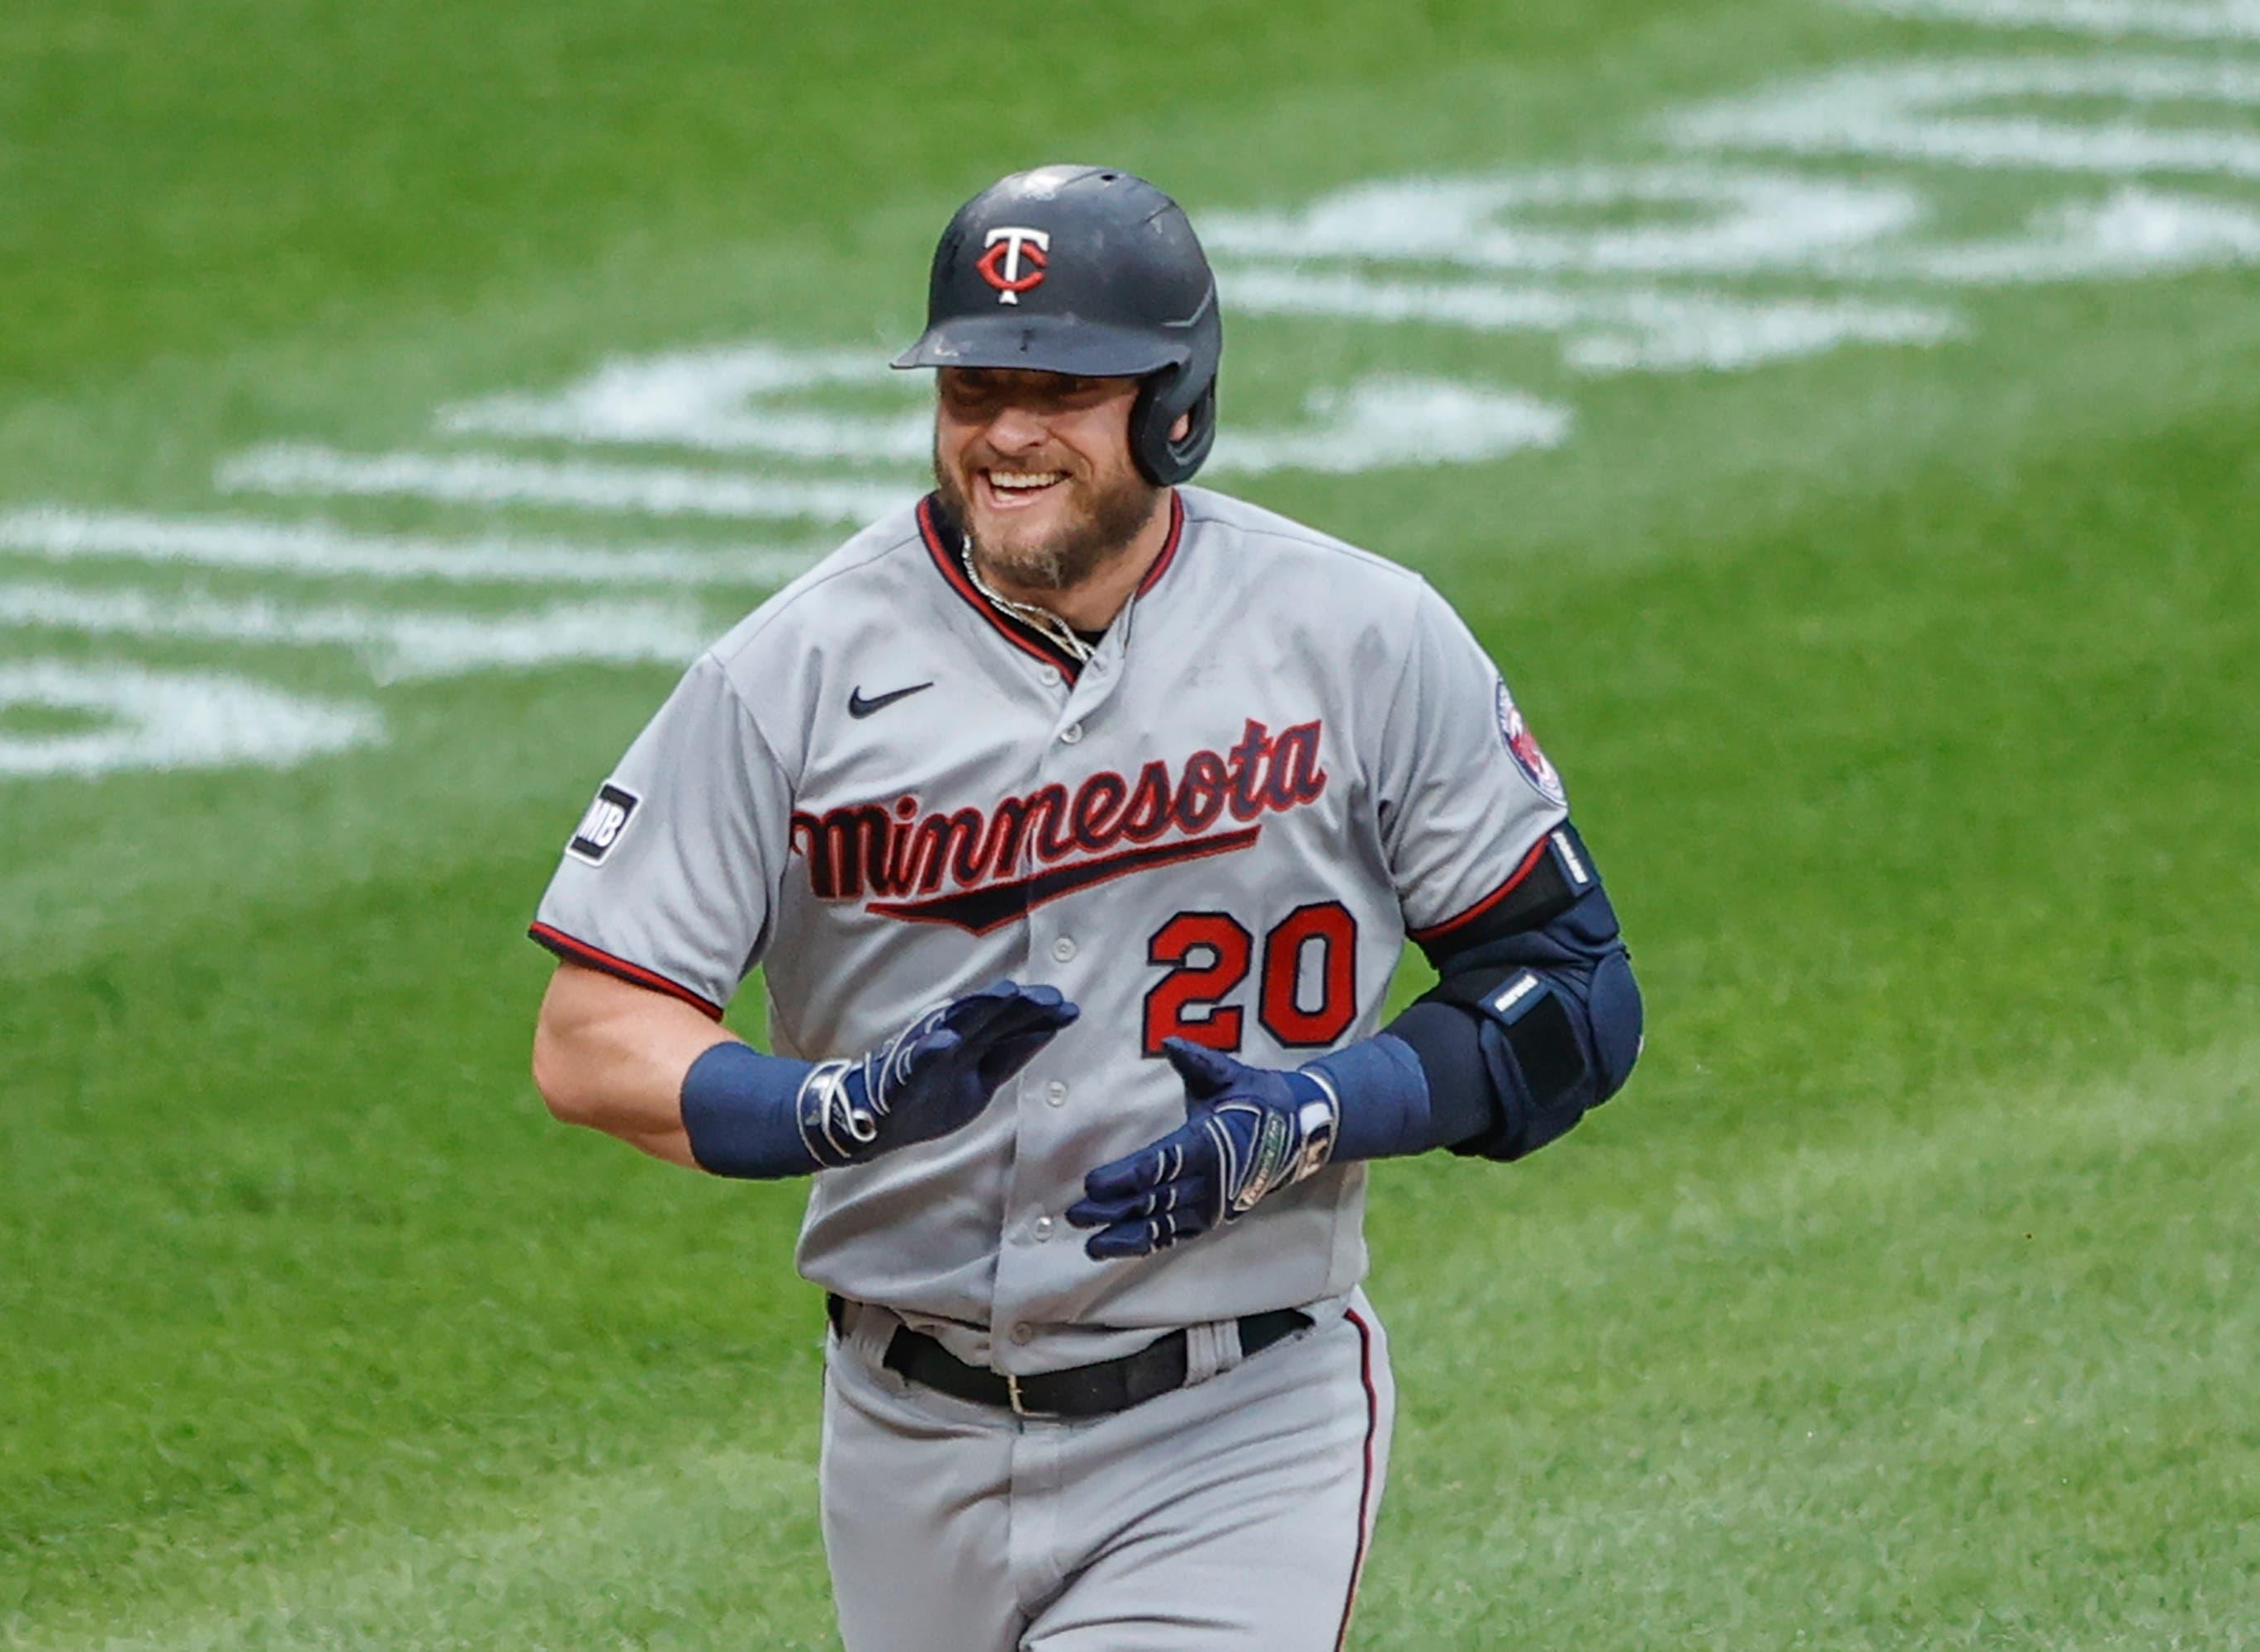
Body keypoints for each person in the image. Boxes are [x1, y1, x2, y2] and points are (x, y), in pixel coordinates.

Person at [527, 163, 1643, 1651]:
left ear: (1174, 403)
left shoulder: (1360, 638)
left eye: (1061, 386)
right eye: (974, 384)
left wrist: (1322, 1109)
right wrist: (836, 1110)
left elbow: (1572, 992)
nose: (1005, 432)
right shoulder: (785, 673)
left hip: (1237, 1421)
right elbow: (591, 1034)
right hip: (899, 1431)